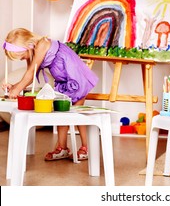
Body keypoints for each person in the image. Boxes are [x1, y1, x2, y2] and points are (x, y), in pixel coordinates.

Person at [2, 28, 98, 161]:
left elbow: (29, 75)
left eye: (21, 56)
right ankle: (62, 147)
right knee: (62, 110)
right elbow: (30, 75)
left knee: (77, 112)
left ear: (27, 46)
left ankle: (86, 147)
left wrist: (17, 89)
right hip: (64, 79)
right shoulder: (32, 52)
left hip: (75, 76)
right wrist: (15, 86)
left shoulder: (42, 44)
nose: (22, 59)